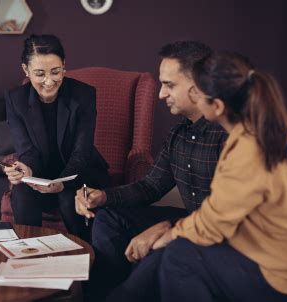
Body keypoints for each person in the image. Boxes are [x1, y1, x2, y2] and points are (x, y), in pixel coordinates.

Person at [105, 51, 287, 302]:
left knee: (179, 255)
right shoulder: (250, 134)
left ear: (217, 106)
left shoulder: (250, 147)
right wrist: (171, 231)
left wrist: (169, 234)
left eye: (198, 93)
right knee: (175, 250)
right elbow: (220, 211)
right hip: (264, 252)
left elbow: (215, 221)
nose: (193, 96)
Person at [75, 41, 228, 300]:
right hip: (190, 220)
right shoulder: (179, 133)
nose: (161, 94)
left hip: (219, 233)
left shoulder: (230, 136)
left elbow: (230, 215)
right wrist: (103, 196)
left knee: (161, 251)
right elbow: (151, 186)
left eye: (169, 85)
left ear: (198, 85)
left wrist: (169, 228)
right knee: (109, 215)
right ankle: (104, 291)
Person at [3, 34, 110, 239]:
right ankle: (29, 252)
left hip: (80, 172)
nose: (49, 81)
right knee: (22, 195)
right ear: (26, 70)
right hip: (40, 175)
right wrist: (25, 168)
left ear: (64, 66)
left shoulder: (84, 95)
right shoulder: (15, 99)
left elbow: (81, 152)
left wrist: (61, 182)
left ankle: (88, 256)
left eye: (55, 72)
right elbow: (27, 150)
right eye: (40, 74)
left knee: (69, 198)